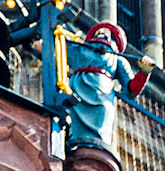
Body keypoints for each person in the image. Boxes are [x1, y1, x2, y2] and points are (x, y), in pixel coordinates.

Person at [64, 22, 153, 152]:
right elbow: (58, 50)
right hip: (76, 89)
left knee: (99, 125)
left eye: (107, 32)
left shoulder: (118, 59)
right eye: (100, 31)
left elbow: (130, 89)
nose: (103, 33)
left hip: (102, 94)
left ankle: (95, 147)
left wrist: (144, 72)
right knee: (71, 119)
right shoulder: (80, 48)